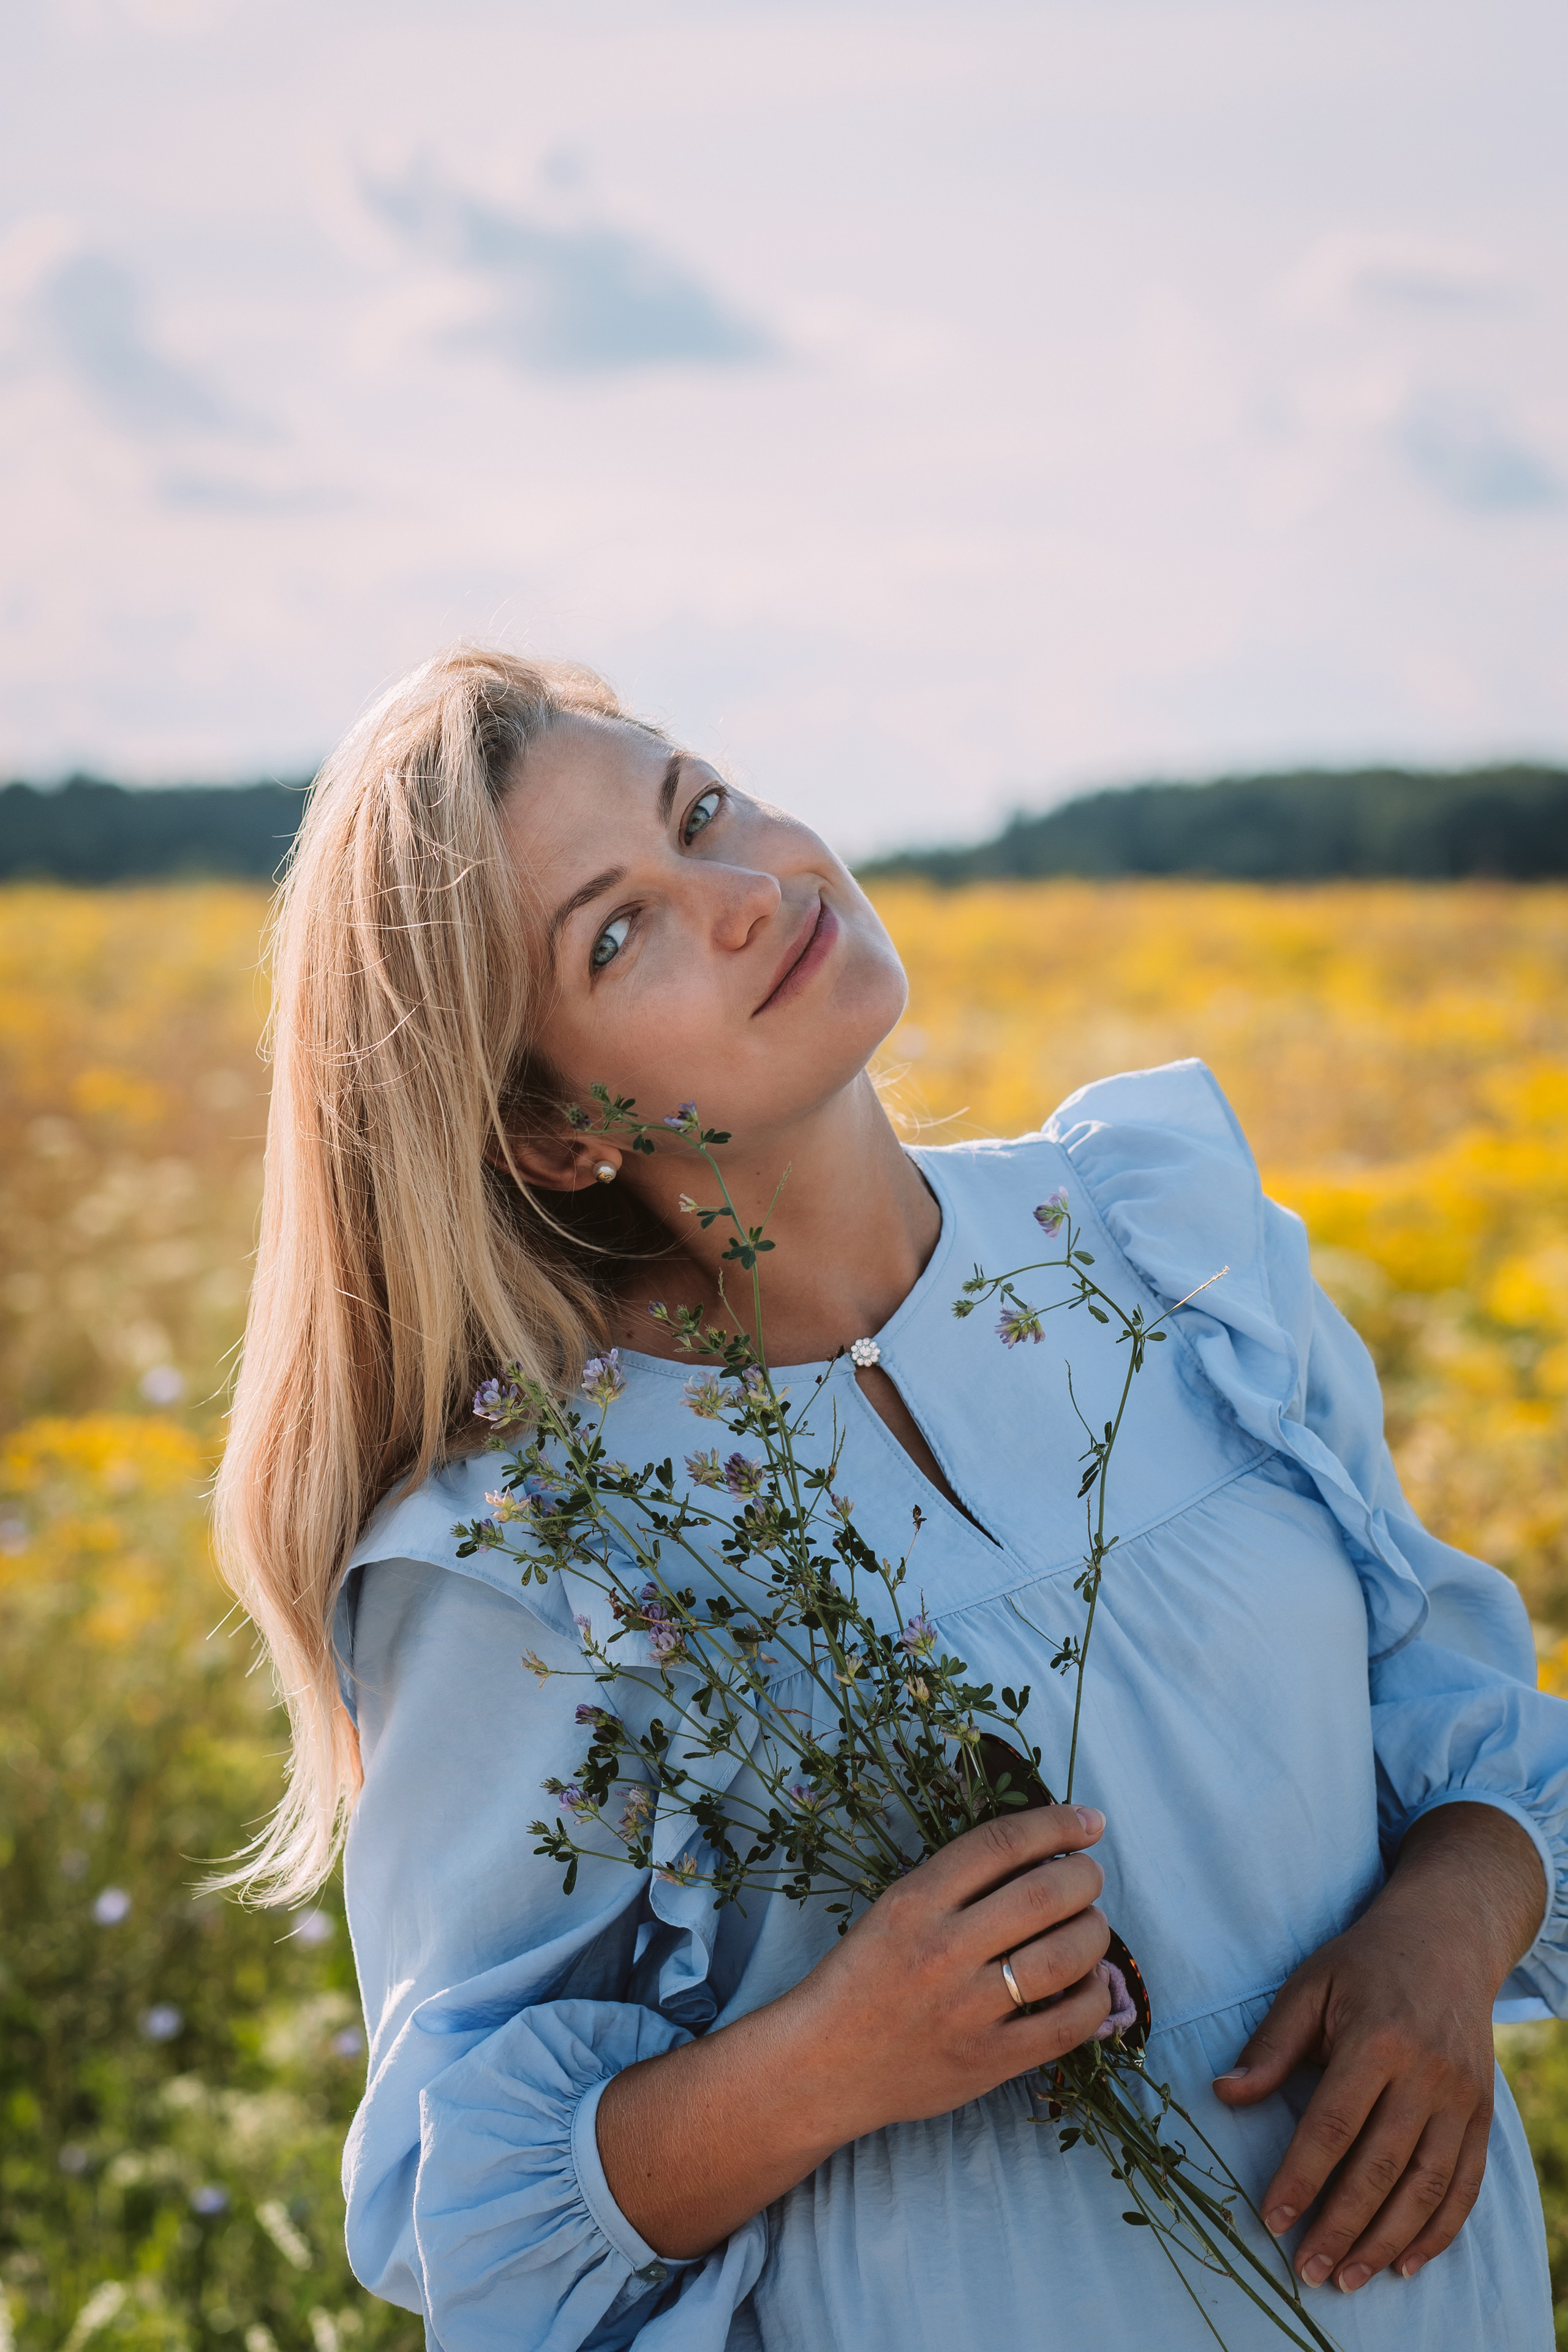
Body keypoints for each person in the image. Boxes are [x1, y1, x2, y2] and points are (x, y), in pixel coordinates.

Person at [216, 646, 1566, 2351]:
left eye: (700, 807)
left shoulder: (1169, 1240)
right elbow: (467, 2214)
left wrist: (1453, 1926)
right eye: (615, 933)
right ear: (554, 1134)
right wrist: (836, 2056)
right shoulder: (533, 1552)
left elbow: (1459, 1721)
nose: (739, 891)